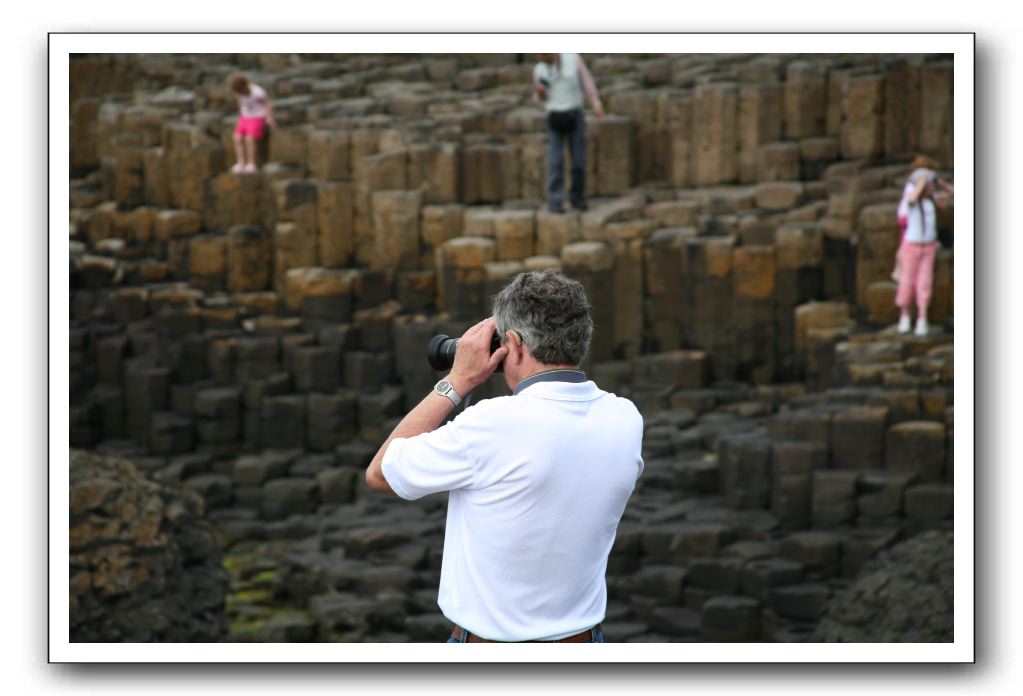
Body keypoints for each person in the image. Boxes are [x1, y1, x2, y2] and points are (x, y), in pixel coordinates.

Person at [365, 270, 644, 643]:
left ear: (511, 344)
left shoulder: (493, 424)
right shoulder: (625, 418)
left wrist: (458, 380)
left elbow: (381, 473)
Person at [532, 53, 605, 213]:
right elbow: (537, 98)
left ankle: (577, 197)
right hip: (555, 116)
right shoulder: (540, 69)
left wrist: (596, 104)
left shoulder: (573, 59)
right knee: (555, 160)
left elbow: (587, 82)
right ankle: (555, 200)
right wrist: (540, 92)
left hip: (574, 113)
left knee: (579, 160)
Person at [894, 156, 953, 336]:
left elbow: (953, 194)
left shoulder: (931, 200)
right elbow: (911, 200)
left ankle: (922, 317)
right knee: (907, 281)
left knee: (924, 282)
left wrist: (938, 181)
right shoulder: (911, 196)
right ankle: (904, 316)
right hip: (911, 246)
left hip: (928, 247)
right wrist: (920, 181)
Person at [227, 73, 276, 174]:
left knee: (249, 139)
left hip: (257, 117)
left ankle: (251, 163)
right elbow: (240, 103)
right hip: (245, 117)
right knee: (237, 137)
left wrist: (269, 118)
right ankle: (240, 163)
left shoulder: (257, 91)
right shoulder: (238, 93)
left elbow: (267, 103)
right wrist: (240, 115)